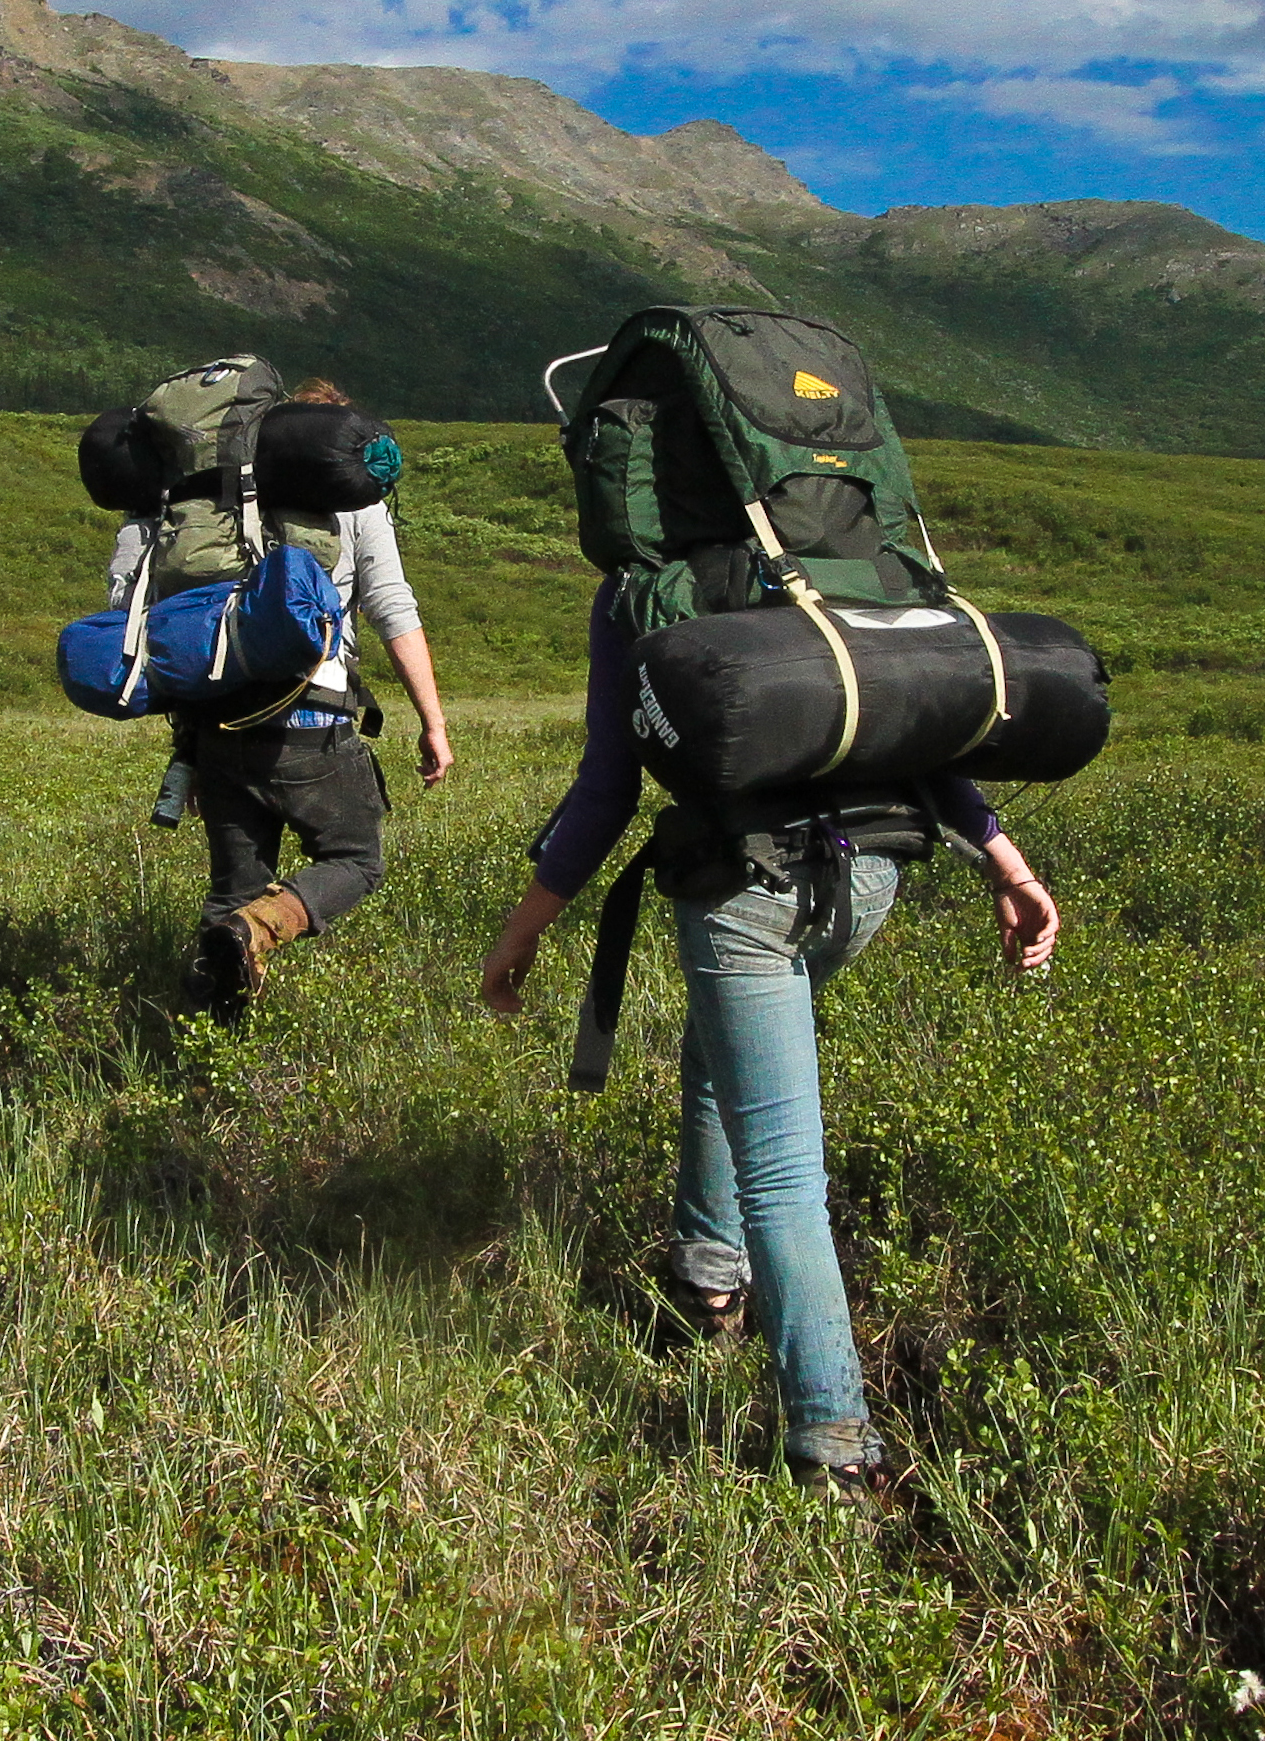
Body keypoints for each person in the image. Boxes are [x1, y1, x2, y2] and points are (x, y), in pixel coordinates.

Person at [473, 581, 1062, 1488]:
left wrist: (524, 925)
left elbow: (608, 785)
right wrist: (1006, 862)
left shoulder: (641, 585)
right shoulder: (834, 557)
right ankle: (708, 1279)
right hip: (869, 876)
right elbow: (912, 720)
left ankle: (833, 1441)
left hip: (742, 886)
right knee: (718, 1053)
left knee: (782, 1169)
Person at [104, 378, 457, 1014]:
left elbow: (141, 609)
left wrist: (188, 738)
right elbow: (390, 606)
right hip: (312, 720)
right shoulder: (351, 501)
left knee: (232, 888)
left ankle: (208, 1043)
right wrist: (432, 720)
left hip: (216, 726)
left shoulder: (194, 501)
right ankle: (256, 931)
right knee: (354, 860)